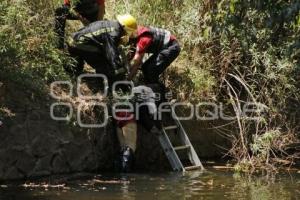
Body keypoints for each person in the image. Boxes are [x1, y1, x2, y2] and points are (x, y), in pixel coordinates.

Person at [66, 14, 137, 84]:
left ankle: (76, 67)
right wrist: (120, 71)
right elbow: (112, 53)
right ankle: (102, 81)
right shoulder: (114, 32)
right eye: (127, 31)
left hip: (74, 40)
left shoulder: (111, 24)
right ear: (124, 27)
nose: (126, 33)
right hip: (79, 44)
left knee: (77, 67)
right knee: (105, 62)